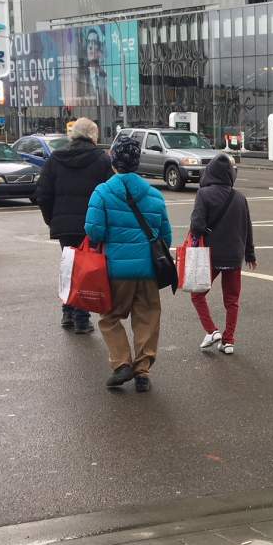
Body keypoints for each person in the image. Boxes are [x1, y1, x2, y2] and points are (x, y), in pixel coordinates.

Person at [84, 138, 172, 391]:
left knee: (110, 316)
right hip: (148, 270)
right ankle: (143, 371)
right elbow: (164, 236)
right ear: (137, 162)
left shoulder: (102, 192)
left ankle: (122, 363)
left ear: (113, 161)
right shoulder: (154, 195)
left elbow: (94, 231)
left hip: (115, 270)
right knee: (147, 318)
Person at [36, 116, 113, 335]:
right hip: (91, 224)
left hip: (64, 224)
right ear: (93, 136)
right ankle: (81, 318)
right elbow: (110, 193)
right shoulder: (101, 160)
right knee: (86, 269)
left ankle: (68, 311)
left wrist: (51, 218)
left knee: (69, 267)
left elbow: (42, 194)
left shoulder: (56, 159)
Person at [189, 153, 257, 355]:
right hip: (234, 256)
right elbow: (248, 228)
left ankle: (211, 330)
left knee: (197, 294)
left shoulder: (204, 194)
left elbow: (197, 226)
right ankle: (229, 341)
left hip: (211, 255)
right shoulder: (240, 197)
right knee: (232, 300)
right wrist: (250, 254)